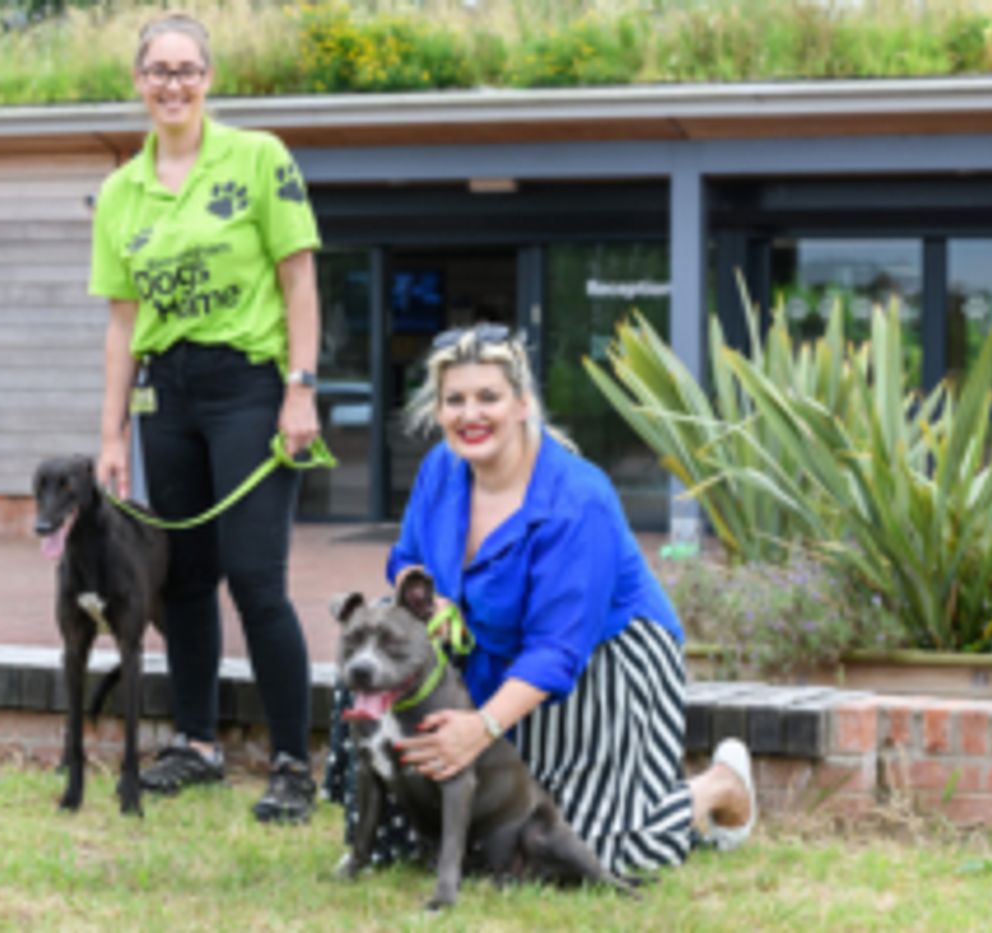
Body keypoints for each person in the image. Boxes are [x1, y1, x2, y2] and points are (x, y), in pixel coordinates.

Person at [325, 323, 756, 874]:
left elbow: (557, 650)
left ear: (523, 403)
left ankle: (720, 786)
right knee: (461, 834)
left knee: (586, 855)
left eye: (488, 397)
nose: (469, 414)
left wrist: (479, 731)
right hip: (488, 652)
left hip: (599, 657)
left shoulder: (577, 499)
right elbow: (405, 557)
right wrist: (428, 601)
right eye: (454, 400)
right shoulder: (440, 470)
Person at [89, 13, 323, 823]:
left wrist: (300, 387)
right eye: (158, 70)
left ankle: (294, 760)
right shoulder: (122, 191)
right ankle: (197, 744)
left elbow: (299, 280)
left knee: (257, 579)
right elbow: (122, 323)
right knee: (183, 581)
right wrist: (112, 433)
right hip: (167, 396)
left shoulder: (259, 158)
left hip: (249, 388)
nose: (173, 84)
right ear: (138, 81)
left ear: (209, 79)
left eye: (187, 69)